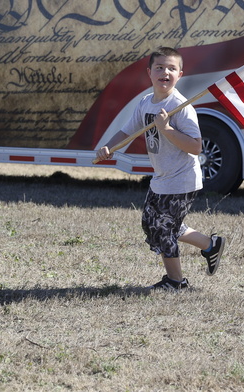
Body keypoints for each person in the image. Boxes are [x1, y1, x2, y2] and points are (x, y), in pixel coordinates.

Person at [96, 47, 225, 291]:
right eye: (159, 67)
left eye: (171, 68)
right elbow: (126, 131)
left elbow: (196, 147)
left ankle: (176, 282)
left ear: (180, 74)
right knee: (150, 223)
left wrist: (166, 129)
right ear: (149, 72)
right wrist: (109, 147)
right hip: (161, 177)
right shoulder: (146, 102)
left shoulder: (180, 107)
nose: (165, 72)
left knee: (164, 228)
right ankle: (210, 245)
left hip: (182, 179)